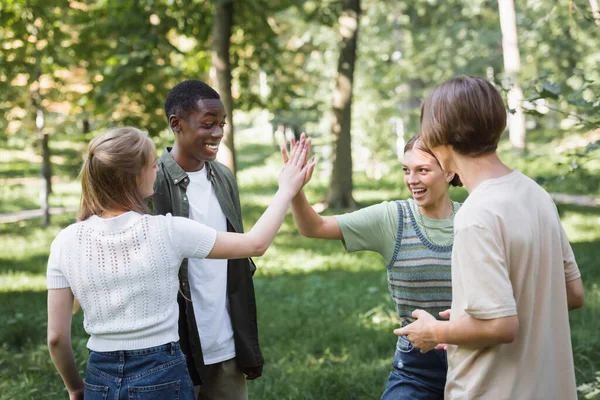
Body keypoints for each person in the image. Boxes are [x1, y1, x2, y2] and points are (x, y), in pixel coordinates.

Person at [46, 127, 313, 400]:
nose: (158, 170)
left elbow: (56, 338)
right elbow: (256, 243)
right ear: (135, 177)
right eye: (152, 165)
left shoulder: (64, 241)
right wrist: (286, 189)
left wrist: (76, 388)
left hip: (99, 378)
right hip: (162, 375)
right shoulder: (168, 231)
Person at [394, 76, 585, 400]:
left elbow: (501, 326)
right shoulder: (534, 193)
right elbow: (573, 293)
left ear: (438, 135)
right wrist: (470, 318)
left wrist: (435, 331)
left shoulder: (475, 217)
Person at [281, 133, 462, 399]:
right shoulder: (392, 218)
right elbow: (313, 227)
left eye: (422, 170)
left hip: (471, 357)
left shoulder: (473, 219)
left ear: (448, 172)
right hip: (417, 368)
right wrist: (295, 191)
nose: (412, 180)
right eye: (406, 170)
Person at [151, 80, 268, 400]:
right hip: (175, 344)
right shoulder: (153, 179)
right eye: (208, 124)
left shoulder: (224, 177)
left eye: (222, 124)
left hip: (225, 340)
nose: (218, 133)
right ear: (176, 124)